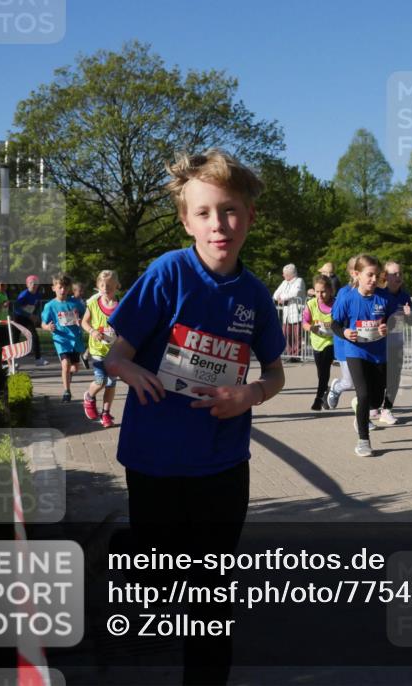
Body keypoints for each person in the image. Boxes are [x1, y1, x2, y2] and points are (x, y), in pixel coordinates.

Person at [105, 148, 285, 686]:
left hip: (221, 465)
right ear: (186, 221)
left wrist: (248, 395)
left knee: (210, 597)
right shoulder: (167, 274)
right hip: (154, 461)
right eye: (204, 213)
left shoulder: (256, 296)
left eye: (229, 211)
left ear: (249, 217)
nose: (218, 225)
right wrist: (128, 370)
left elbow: (274, 374)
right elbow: (115, 353)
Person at [331, 254, 395, 457]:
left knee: (375, 401)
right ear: (357, 275)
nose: (374, 280)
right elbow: (335, 323)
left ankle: (362, 408)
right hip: (356, 352)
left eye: (377, 275)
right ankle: (363, 440)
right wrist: (344, 333)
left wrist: (388, 327)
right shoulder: (348, 298)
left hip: (379, 355)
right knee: (364, 394)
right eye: (370, 275)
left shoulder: (384, 297)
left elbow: (397, 320)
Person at [81, 270, 121, 427]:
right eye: (103, 285)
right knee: (101, 380)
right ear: (98, 286)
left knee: (111, 383)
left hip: (115, 351)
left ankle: (106, 413)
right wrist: (92, 331)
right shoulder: (93, 304)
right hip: (97, 350)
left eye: (110, 285)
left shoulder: (121, 305)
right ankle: (89, 397)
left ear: (117, 286)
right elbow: (84, 322)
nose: (106, 288)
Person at [41, 274, 87, 402]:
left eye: (65, 287)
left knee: (75, 367)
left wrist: (80, 320)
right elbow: (43, 323)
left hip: (75, 339)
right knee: (65, 364)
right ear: (53, 288)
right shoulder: (50, 306)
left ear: (69, 289)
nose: (63, 290)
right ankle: (67, 392)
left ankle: (69, 373)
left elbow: (85, 317)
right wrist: (47, 327)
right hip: (61, 339)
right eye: (60, 287)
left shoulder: (75, 303)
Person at [378, 260, 412, 425]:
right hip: (378, 343)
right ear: (386, 276)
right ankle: (373, 406)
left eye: (400, 273)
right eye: (394, 274)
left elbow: (411, 322)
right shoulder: (379, 294)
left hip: (396, 342)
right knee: (379, 377)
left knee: (394, 378)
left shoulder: (405, 296)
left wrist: (409, 315)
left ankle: (387, 410)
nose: (398, 276)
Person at [326, 255, 359, 409]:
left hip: (365, 344)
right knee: (349, 382)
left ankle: (367, 414)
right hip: (345, 342)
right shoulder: (344, 293)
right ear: (353, 273)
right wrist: (346, 331)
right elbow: (335, 321)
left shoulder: (374, 293)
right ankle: (336, 387)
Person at [302, 274, 336, 410]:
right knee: (321, 371)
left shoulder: (337, 304)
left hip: (331, 341)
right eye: (317, 291)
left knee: (325, 369)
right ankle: (326, 392)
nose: (320, 295)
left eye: (323, 291)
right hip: (316, 342)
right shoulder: (311, 304)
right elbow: (304, 322)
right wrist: (311, 328)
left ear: (330, 291)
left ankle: (318, 398)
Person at [273, 263, 306, 359]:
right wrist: (282, 297)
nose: (283, 275)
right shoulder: (284, 282)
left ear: (290, 274)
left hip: (297, 312)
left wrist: (282, 297)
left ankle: (296, 355)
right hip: (287, 313)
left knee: (297, 335)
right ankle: (289, 353)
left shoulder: (299, 281)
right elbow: (275, 294)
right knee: (286, 334)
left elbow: (295, 293)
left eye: (285, 274)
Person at [14, 274, 47, 365]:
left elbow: (34, 307)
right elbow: (16, 308)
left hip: (28, 319)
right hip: (19, 318)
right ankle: (12, 360)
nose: (33, 285)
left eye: (35, 283)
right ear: (27, 284)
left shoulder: (37, 294)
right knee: (15, 339)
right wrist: (29, 315)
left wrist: (35, 316)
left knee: (34, 337)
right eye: (31, 283)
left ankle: (38, 359)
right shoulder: (24, 294)